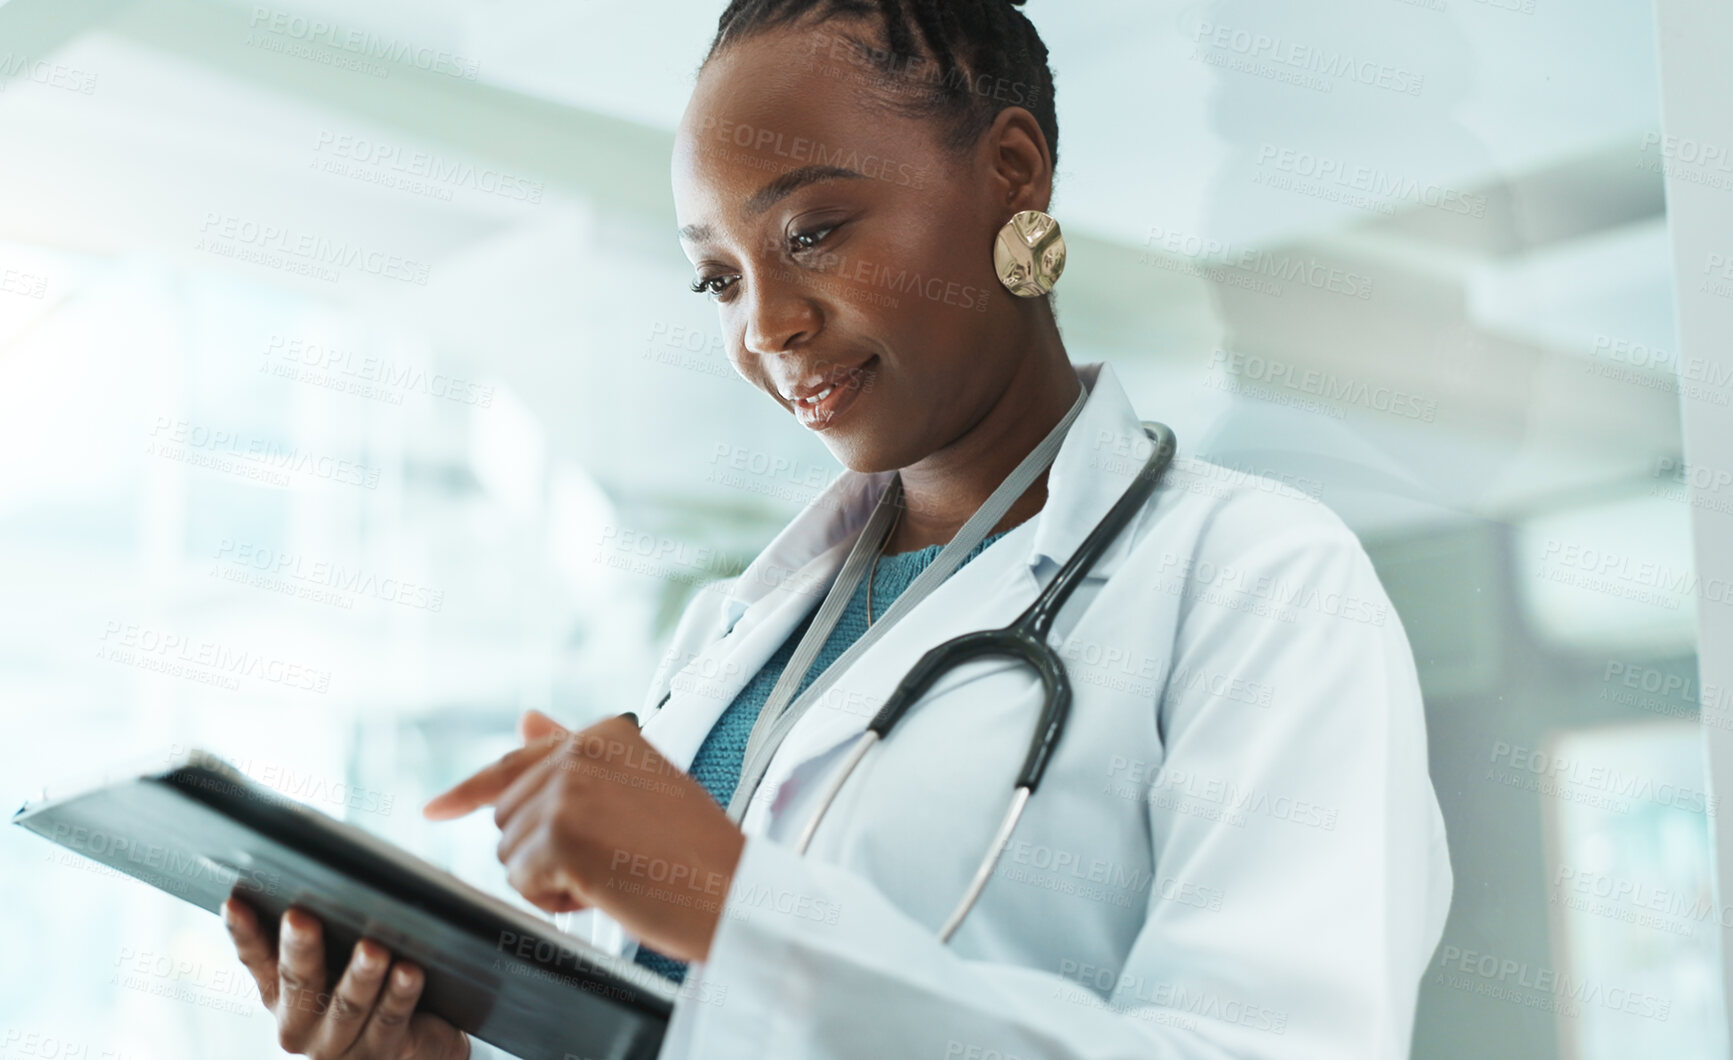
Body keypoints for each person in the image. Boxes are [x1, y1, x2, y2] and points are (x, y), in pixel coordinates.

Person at [221, 1, 1453, 1057]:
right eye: (718, 276)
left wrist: (736, 901)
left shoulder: (1256, 583)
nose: (762, 324)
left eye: (811, 232)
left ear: (1012, 174)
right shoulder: (735, 634)